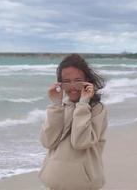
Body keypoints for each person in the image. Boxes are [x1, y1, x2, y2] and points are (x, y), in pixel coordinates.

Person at [38, 54, 108, 190]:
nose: (72, 87)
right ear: (60, 84)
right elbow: (47, 142)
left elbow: (81, 142)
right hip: (54, 184)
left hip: (84, 185)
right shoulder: (60, 107)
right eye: (66, 81)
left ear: (87, 81)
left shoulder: (98, 109)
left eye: (77, 80)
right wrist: (56, 105)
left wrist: (83, 105)